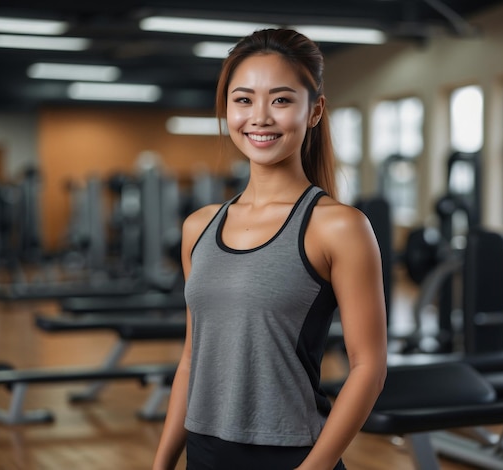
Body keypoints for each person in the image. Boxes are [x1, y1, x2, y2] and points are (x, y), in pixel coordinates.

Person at [153, 28, 387, 470]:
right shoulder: (198, 227)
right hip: (203, 454)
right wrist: (162, 462)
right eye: (243, 100)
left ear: (314, 111)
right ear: (227, 110)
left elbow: (368, 368)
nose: (259, 117)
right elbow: (191, 359)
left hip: (292, 456)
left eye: (280, 100)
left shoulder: (338, 226)